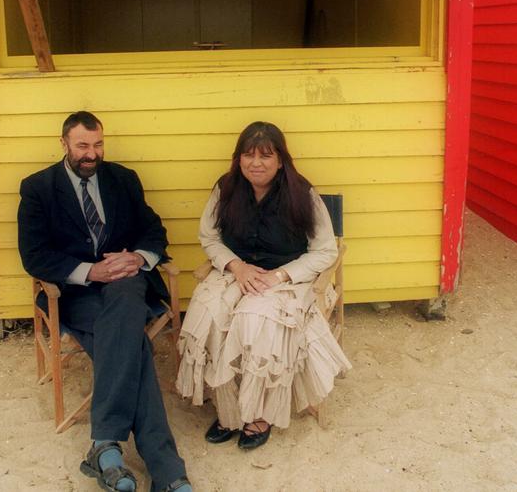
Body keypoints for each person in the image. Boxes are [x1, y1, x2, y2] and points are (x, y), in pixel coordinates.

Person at [18, 111, 191, 492]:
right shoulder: (37, 188)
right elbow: (34, 256)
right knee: (134, 344)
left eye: (97, 144)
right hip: (76, 294)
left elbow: (153, 231)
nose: (91, 154)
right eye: (82, 145)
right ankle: (167, 470)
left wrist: (139, 258)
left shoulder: (123, 180)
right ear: (63, 143)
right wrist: (88, 271)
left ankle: (105, 448)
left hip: (125, 283)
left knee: (127, 290)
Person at [175, 121, 351, 450]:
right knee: (209, 313)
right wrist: (236, 266)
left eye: (265, 156)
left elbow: (325, 250)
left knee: (256, 319)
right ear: (238, 159)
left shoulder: (302, 193)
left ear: (281, 160)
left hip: (285, 276)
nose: (256, 163)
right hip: (237, 269)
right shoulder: (225, 188)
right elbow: (209, 238)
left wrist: (280, 276)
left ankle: (259, 413)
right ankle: (229, 410)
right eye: (248, 155)